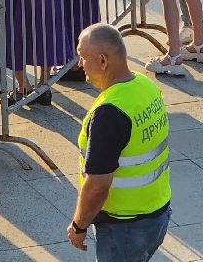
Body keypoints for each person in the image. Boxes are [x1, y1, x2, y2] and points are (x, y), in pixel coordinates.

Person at [68, 24, 172, 261]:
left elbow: (97, 186)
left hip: (124, 227)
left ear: (103, 61)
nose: (79, 64)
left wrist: (79, 226)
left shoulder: (110, 113)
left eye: (83, 57)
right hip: (156, 213)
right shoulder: (145, 86)